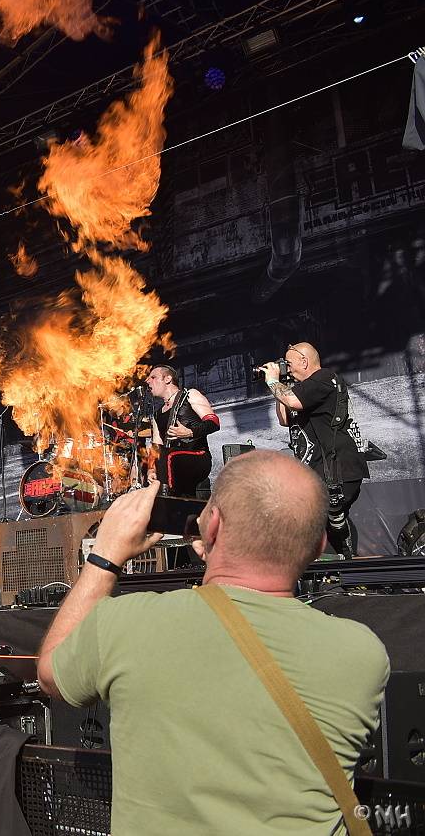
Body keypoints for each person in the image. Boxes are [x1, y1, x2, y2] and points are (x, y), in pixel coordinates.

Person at [36, 452, 389, 835]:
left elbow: (51, 672)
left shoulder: (124, 624)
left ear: (213, 526)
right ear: (320, 545)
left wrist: (105, 556)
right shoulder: (363, 655)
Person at [263, 342, 370, 557]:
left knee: (310, 519)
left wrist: (274, 381)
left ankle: (338, 565)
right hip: (317, 471)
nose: (286, 367)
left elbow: (292, 402)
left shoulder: (323, 378)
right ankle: (341, 565)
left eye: (288, 363)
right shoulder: (301, 390)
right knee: (325, 524)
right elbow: (285, 418)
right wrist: (280, 385)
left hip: (336, 468)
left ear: (304, 361)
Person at [146, 364, 219, 498]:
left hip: (198, 455)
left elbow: (214, 423)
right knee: (160, 457)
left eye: (153, 377)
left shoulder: (190, 394)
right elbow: (156, 447)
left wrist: (190, 432)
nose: (147, 381)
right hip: (171, 460)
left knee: (169, 456)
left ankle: (169, 500)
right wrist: (151, 469)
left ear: (168, 379)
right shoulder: (156, 415)